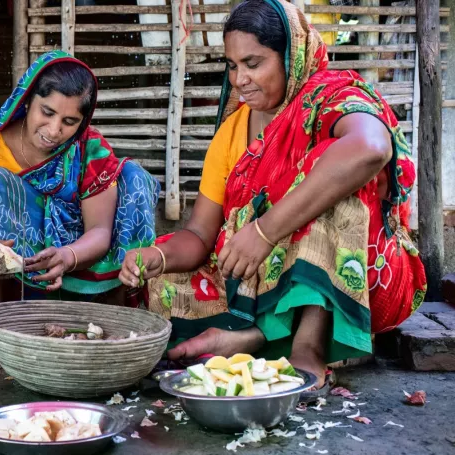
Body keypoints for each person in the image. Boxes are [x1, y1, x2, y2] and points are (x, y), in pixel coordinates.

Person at [119, 0, 425, 392]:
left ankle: (308, 345)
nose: (239, 79)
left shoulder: (328, 97)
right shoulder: (232, 131)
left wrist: (263, 232)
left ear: (291, 57)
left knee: (329, 183)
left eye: (253, 63)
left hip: (362, 273)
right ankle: (258, 337)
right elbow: (199, 235)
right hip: (256, 279)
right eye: (232, 66)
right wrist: (155, 257)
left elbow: (370, 149)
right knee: (165, 287)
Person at [0, 51, 160, 354]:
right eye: (47, 112)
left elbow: (100, 232)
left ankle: (110, 312)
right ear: (27, 101)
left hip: (79, 276)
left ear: (82, 121)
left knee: (135, 177)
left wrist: (67, 256)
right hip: (19, 285)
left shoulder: (88, 150)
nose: (54, 131)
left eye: (69, 121)